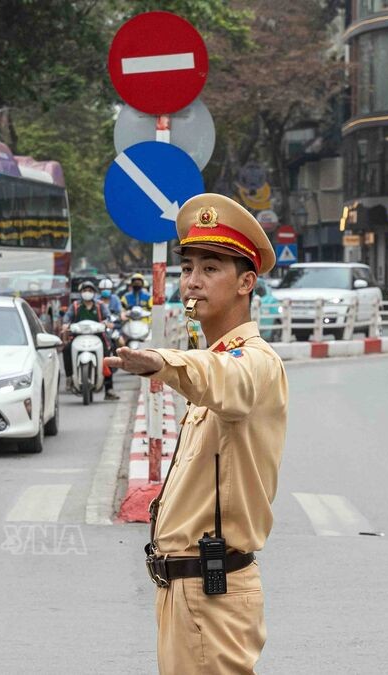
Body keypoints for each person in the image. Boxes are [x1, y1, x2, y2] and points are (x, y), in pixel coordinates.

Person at [105, 193, 287, 674]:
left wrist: (162, 362)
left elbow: (225, 377)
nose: (193, 281)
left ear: (246, 282)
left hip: (212, 591)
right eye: (187, 268)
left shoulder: (255, 362)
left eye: (210, 268)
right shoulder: (214, 360)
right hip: (185, 590)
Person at [61, 280, 118, 400]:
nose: (87, 293)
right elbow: (67, 317)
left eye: (90, 290)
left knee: (107, 355)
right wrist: (65, 324)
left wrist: (108, 322)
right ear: (81, 292)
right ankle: (69, 377)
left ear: (94, 293)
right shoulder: (75, 305)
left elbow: (108, 317)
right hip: (78, 336)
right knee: (66, 350)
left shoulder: (100, 305)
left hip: (98, 336)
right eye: (85, 290)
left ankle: (109, 389)